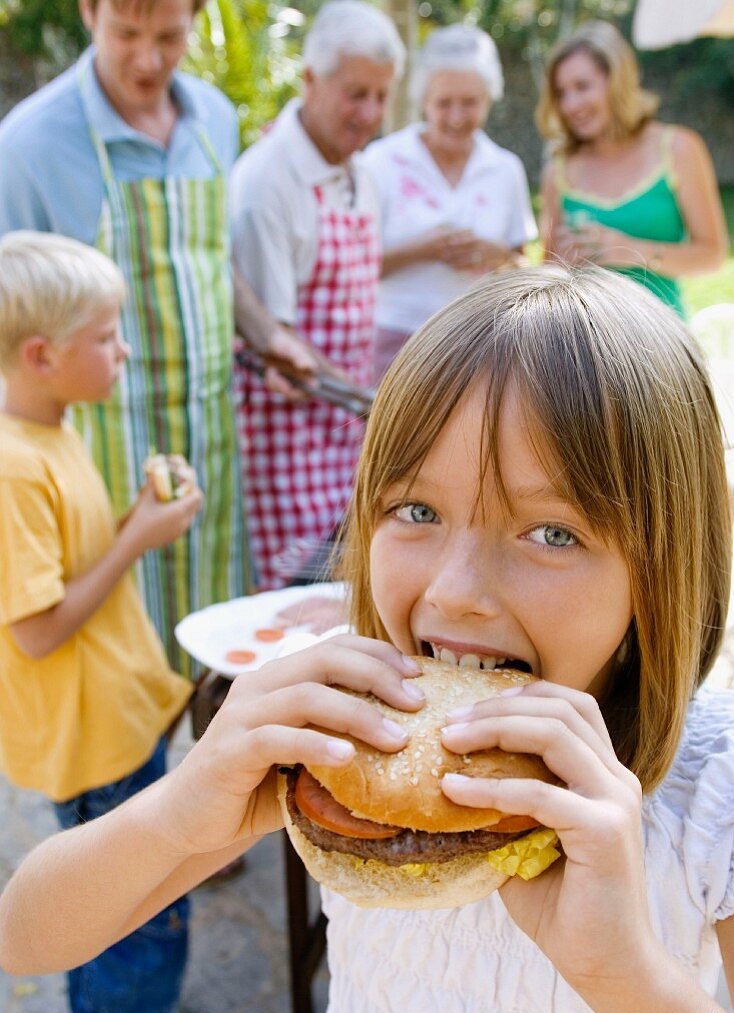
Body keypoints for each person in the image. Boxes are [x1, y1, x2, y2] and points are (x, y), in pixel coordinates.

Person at [3, 265, 734, 1013]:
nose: (455, 590)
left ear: (663, 570)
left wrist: (624, 973)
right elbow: (24, 937)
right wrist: (184, 807)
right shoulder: (337, 754)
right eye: (416, 512)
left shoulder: (713, 793)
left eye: (551, 532)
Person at [0, 0, 315, 672]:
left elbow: (208, 259)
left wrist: (266, 336)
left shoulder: (215, 121)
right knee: (117, 661)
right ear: (89, 12)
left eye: (170, 36)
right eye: (126, 34)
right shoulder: (30, 145)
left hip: (209, 437)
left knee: (213, 651)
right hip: (101, 449)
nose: (148, 60)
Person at [0, 232, 216, 1013]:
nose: (123, 350)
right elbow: (37, 631)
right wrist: (140, 539)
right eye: (106, 336)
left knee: (125, 903)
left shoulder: (54, 430)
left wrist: (133, 516)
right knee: (136, 914)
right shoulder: (14, 467)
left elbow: (69, 564)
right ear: (43, 355)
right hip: (93, 743)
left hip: (118, 720)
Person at [229, 0, 405, 590]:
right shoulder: (266, 183)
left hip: (345, 440)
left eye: (381, 97)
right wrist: (372, 400)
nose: (370, 114)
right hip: (285, 446)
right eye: (356, 94)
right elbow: (276, 347)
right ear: (309, 80)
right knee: (290, 613)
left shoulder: (361, 172)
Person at [363, 24, 536, 380]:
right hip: (395, 344)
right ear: (423, 100)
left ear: (489, 99)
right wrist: (423, 249)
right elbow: (353, 269)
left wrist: (497, 255)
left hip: (482, 344)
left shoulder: (505, 169)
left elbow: (526, 273)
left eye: (470, 103)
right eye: (444, 103)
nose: (457, 117)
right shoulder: (381, 161)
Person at [537, 20, 728, 317]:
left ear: (618, 82)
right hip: (583, 346)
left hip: (661, 340)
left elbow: (712, 256)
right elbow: (548, 272)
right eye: (561, 93)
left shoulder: (678, 149)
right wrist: (561, 262)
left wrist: (629, 250)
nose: (570, 105)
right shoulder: (558, 171)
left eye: (582, 87)